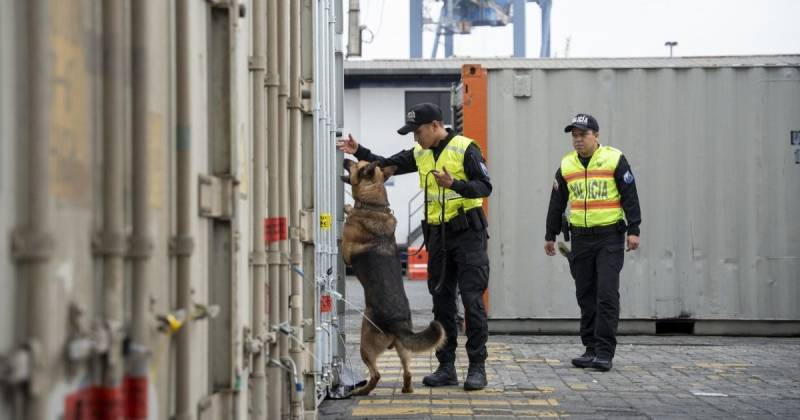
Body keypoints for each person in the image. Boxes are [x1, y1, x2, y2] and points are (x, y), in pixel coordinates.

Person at [337, 102, 492, 390]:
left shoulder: (465, 148)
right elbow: (381, 164)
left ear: (435, 126)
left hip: (468, 235)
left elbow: (485, 186)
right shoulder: (420, 153)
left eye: (418, 131)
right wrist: (359, 151)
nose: (415, 138)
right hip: (439, 237)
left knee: (472, 302)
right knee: (442, 302)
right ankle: (446, 368)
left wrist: (455, 184)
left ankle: (477, 368)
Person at [544, 113, 641, 372]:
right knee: (585, 295)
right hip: (581, 238)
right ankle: (590, 349)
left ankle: (605, 352)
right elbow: (556, 202)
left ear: (596, 136)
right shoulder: (567, 165)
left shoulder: (614, 159)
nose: (578, 140)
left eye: (583, 135)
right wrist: (550, 234)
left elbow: (630, 195)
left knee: (606, 294)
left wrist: (634, 229)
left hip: (609, 237)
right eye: (574, 136)